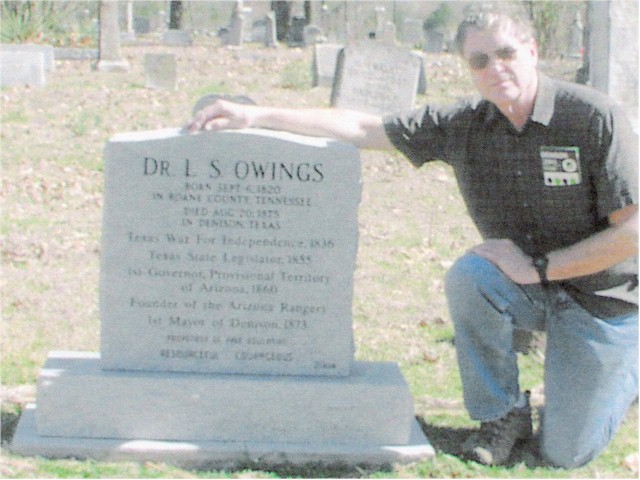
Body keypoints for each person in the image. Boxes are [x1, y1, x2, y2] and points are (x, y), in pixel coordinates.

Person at [187, 3, 638, 469]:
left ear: (532, 50)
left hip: (603, 300)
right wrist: (255, 116)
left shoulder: (591, 118)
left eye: (506, 53)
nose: (495, 68)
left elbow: (634, 233)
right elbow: (364, 127)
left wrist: (541, 267)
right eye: (479, 60)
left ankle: (626, 367)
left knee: (566, 453)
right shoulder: (464, 125)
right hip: (529, 289)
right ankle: (503, 415)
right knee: (472, 275)